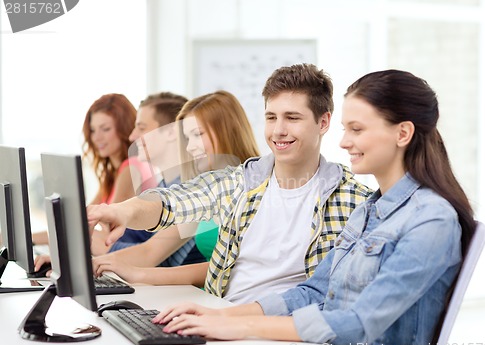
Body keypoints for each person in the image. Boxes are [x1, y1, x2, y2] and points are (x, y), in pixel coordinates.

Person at [152, 69, 476, 345]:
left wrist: (241, 327)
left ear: (402, 133)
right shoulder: (369, 210)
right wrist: (221, 317)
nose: (345, 141)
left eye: (357, 130)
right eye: (346, 129)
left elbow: (359, 324)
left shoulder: (431, 220)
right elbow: (314, 291)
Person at [87, 63, 372, 304]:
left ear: (324, 123)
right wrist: (122, 211)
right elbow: (172, 201)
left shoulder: (353, 200)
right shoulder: (240, 182)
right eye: (271, 117)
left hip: (283, 332)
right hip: (219, 319)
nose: (279, 130)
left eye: (292, 118)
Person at [92, 90, 260, 282]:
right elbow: (163, 206)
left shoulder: (256, 187)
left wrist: (137, 272)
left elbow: (235, 266)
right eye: (188, 138)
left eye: (198, 134)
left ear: (227, 130)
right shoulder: (208, 189)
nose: (189, 147)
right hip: (205, 297)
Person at [31, 93, 153, 246]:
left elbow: (99, 230)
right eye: (93, 130)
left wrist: (27, 240)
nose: (96, 138)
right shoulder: (114, 174)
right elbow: (80, 222)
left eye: (106, 129)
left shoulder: (131, 168)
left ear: (124, 129)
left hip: (124, 257)